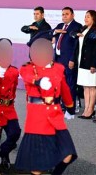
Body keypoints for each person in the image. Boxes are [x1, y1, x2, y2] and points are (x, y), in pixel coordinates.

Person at [15, 46, 77, 175]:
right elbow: (26, 76)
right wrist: (38, 81)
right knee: (37, 166)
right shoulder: (28, 67)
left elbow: (64, 88)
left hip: (55, 116)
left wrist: (70, 106)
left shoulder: (59, 68)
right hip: (38, 119)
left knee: (68, 155)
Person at [0, 38, 21, 170]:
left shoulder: (13, 71)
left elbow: (13, 89)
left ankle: (4, 152)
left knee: (15, 133)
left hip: (8, 109)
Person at [53, 7, 82, 114]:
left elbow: (76, 45)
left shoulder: (77, 26)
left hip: (69, 60)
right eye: (63, 14)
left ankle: (70, 106)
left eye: (66, 14)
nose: (64, 16)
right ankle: (61, 104)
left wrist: (72, 59)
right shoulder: (60, 26)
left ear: (72, 15)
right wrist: (55, 31)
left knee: (70, 84)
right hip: (58, 59)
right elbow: (50, 33)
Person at [73, 10, 96, 119]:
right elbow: (72, 34)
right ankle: (86, 109)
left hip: (90, 63)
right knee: (85, 87)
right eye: (85, 16)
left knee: (92, 87)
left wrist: (94, 64)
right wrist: (76, 34)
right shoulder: (83, 29)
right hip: (81, 62)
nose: (86, 18)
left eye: (88, 17)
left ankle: (90, 109)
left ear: (94, 18)